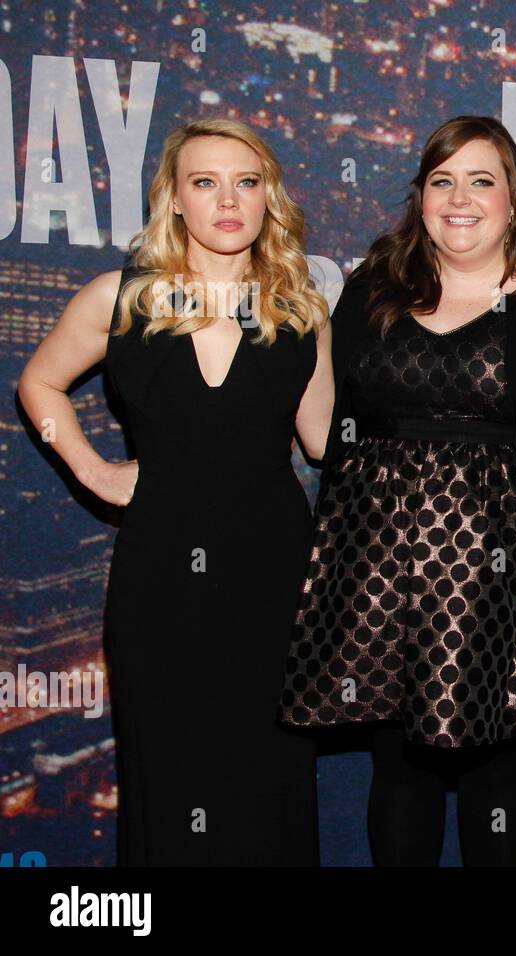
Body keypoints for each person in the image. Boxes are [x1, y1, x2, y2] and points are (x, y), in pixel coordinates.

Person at [279, 115, 516, 867]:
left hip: (510, 575)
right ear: (421, 198)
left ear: (514, 199)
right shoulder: (373, 291)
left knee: (496, 765)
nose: (460, 198)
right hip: (380, 569)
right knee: (398, 766)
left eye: (482, 180)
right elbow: (329, 433)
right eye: (442, 180)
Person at [17, 119, 332, 865]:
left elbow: (324, 440)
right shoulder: (121, 298)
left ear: (268, 200)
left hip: (275, 574)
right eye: (206, 182)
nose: (229, 199)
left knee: (269, 771)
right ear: (175, 201)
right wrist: (91, 470)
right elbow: (39, 383)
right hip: (161, 575)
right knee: (169, 768)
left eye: (246, 182)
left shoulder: (301, 309)